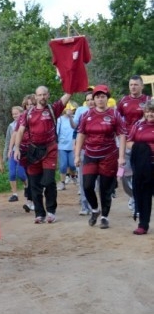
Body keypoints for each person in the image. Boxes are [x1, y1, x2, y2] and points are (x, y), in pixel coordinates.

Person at [13, 86, 71, 224]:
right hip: (33, 151)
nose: (42, 97)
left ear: (48, 95)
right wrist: (16, 149)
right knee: (34, 183)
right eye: (40, 95)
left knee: (49, 181)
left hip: (50, 149)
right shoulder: (27, 113)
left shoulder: (53, 109)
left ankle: (51, 211)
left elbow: (67, 95)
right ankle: (39, 214)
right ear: (35, 96)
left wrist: (71, 81)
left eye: (45, 94)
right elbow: (20, 132)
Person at [74, 85, 126, 229]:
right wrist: (77, 155)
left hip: (108, 155)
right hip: (90, 154)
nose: (100, 99)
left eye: (103, 96)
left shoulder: (114, 115)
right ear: (94, 99)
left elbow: (122, 135)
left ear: (107, 98)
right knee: (87, 185)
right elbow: (81, 134)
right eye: (97, 97)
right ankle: (95, 210)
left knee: (105, 188)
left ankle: (104, 217)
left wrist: (121, 157)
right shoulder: (86, 115)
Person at [117, 75, 151, 210]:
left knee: (141, 173)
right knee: (124, 174)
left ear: (142, 86)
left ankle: (139, 198)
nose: (133, 87)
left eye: (136, 84)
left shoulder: (148, 101)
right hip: (126, 141)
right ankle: (133, 196)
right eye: (131, 84)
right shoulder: (123, 101)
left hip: (143, 142)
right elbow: (116, 120)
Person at [126, 100, 154, 234]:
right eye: (148, 111)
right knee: (144, 194)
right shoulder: (138, 125)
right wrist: (141, 148)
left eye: (153, 111)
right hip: (143, 166)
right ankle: (143, 224)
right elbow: (129, 142)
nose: (150, 114)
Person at [73, 92, 95, 215]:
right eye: (88, 100)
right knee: (83, 179)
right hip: (84, 150)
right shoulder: (83, 115)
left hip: (99, 152)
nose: (90, 102)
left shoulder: (105, 114)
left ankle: (95, 205)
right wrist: (76, 154)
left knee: (95, 181)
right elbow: (78, 133)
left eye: (92, 99)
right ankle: (85, 205)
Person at [4, 106, 27, 202]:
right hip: (13, 151)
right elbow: (8, 140)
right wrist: (6, 153)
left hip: (23, 151)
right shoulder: (11, 126)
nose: (14, 116)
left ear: (22, 113)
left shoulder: (26, 123)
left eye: (16, 113)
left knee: (22, 174)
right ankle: (14, 194)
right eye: (13, 114)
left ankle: (27, 187)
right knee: (12, 173)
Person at [56, 102, 78, 190]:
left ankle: (73, 176)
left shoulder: (74, 119)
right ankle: (62, 183)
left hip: (72, 146)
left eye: (72, 110)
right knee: (63, 165)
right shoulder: (60, 119)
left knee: (73, 165)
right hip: (62, 146)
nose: (70, 111)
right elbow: (57, 132)